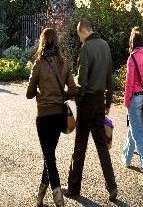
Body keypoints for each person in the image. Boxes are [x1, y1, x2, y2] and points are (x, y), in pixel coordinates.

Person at [62, 19, 118, 201]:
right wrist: (108, 102)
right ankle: (112, 185)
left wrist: (75, 100)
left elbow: (83, 81)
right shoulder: (105, 46)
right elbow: (110, 78)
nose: (80, 40)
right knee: (102, 145)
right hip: (100, 102)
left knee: (80, 146)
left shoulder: (86, 48)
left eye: (80, 36)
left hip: (86, 102)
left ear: (84, 31)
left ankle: (73, 187)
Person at [26, 28, 77, 207]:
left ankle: (58, 198)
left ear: (42, 42)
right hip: (58, 116)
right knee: (49, 155)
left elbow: (29, 93)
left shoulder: (38, 64)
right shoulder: (65, 64)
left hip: (44, 116)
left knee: (49, 157)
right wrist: (60, 91)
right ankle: (40, 196)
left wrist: (41, 89)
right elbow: (72, 90)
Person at [121, 27, 143, 173]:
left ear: (132, 43)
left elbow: (129, 82)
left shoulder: (131, 58)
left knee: (137, 131)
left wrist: (126, 100)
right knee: (134, 127)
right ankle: (126, 158)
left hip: (134, 97)